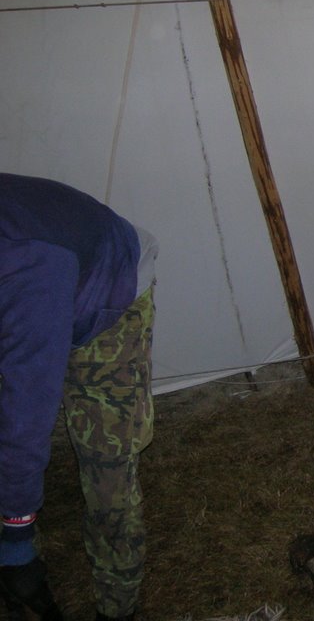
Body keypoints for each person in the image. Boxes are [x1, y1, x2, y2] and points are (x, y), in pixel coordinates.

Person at [0, 173, 158, 621]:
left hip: (109, 295)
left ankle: (117, 606)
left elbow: (27, 408)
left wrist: (16, 542)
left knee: (107, 462)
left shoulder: (23, 262)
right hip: (48, 278)